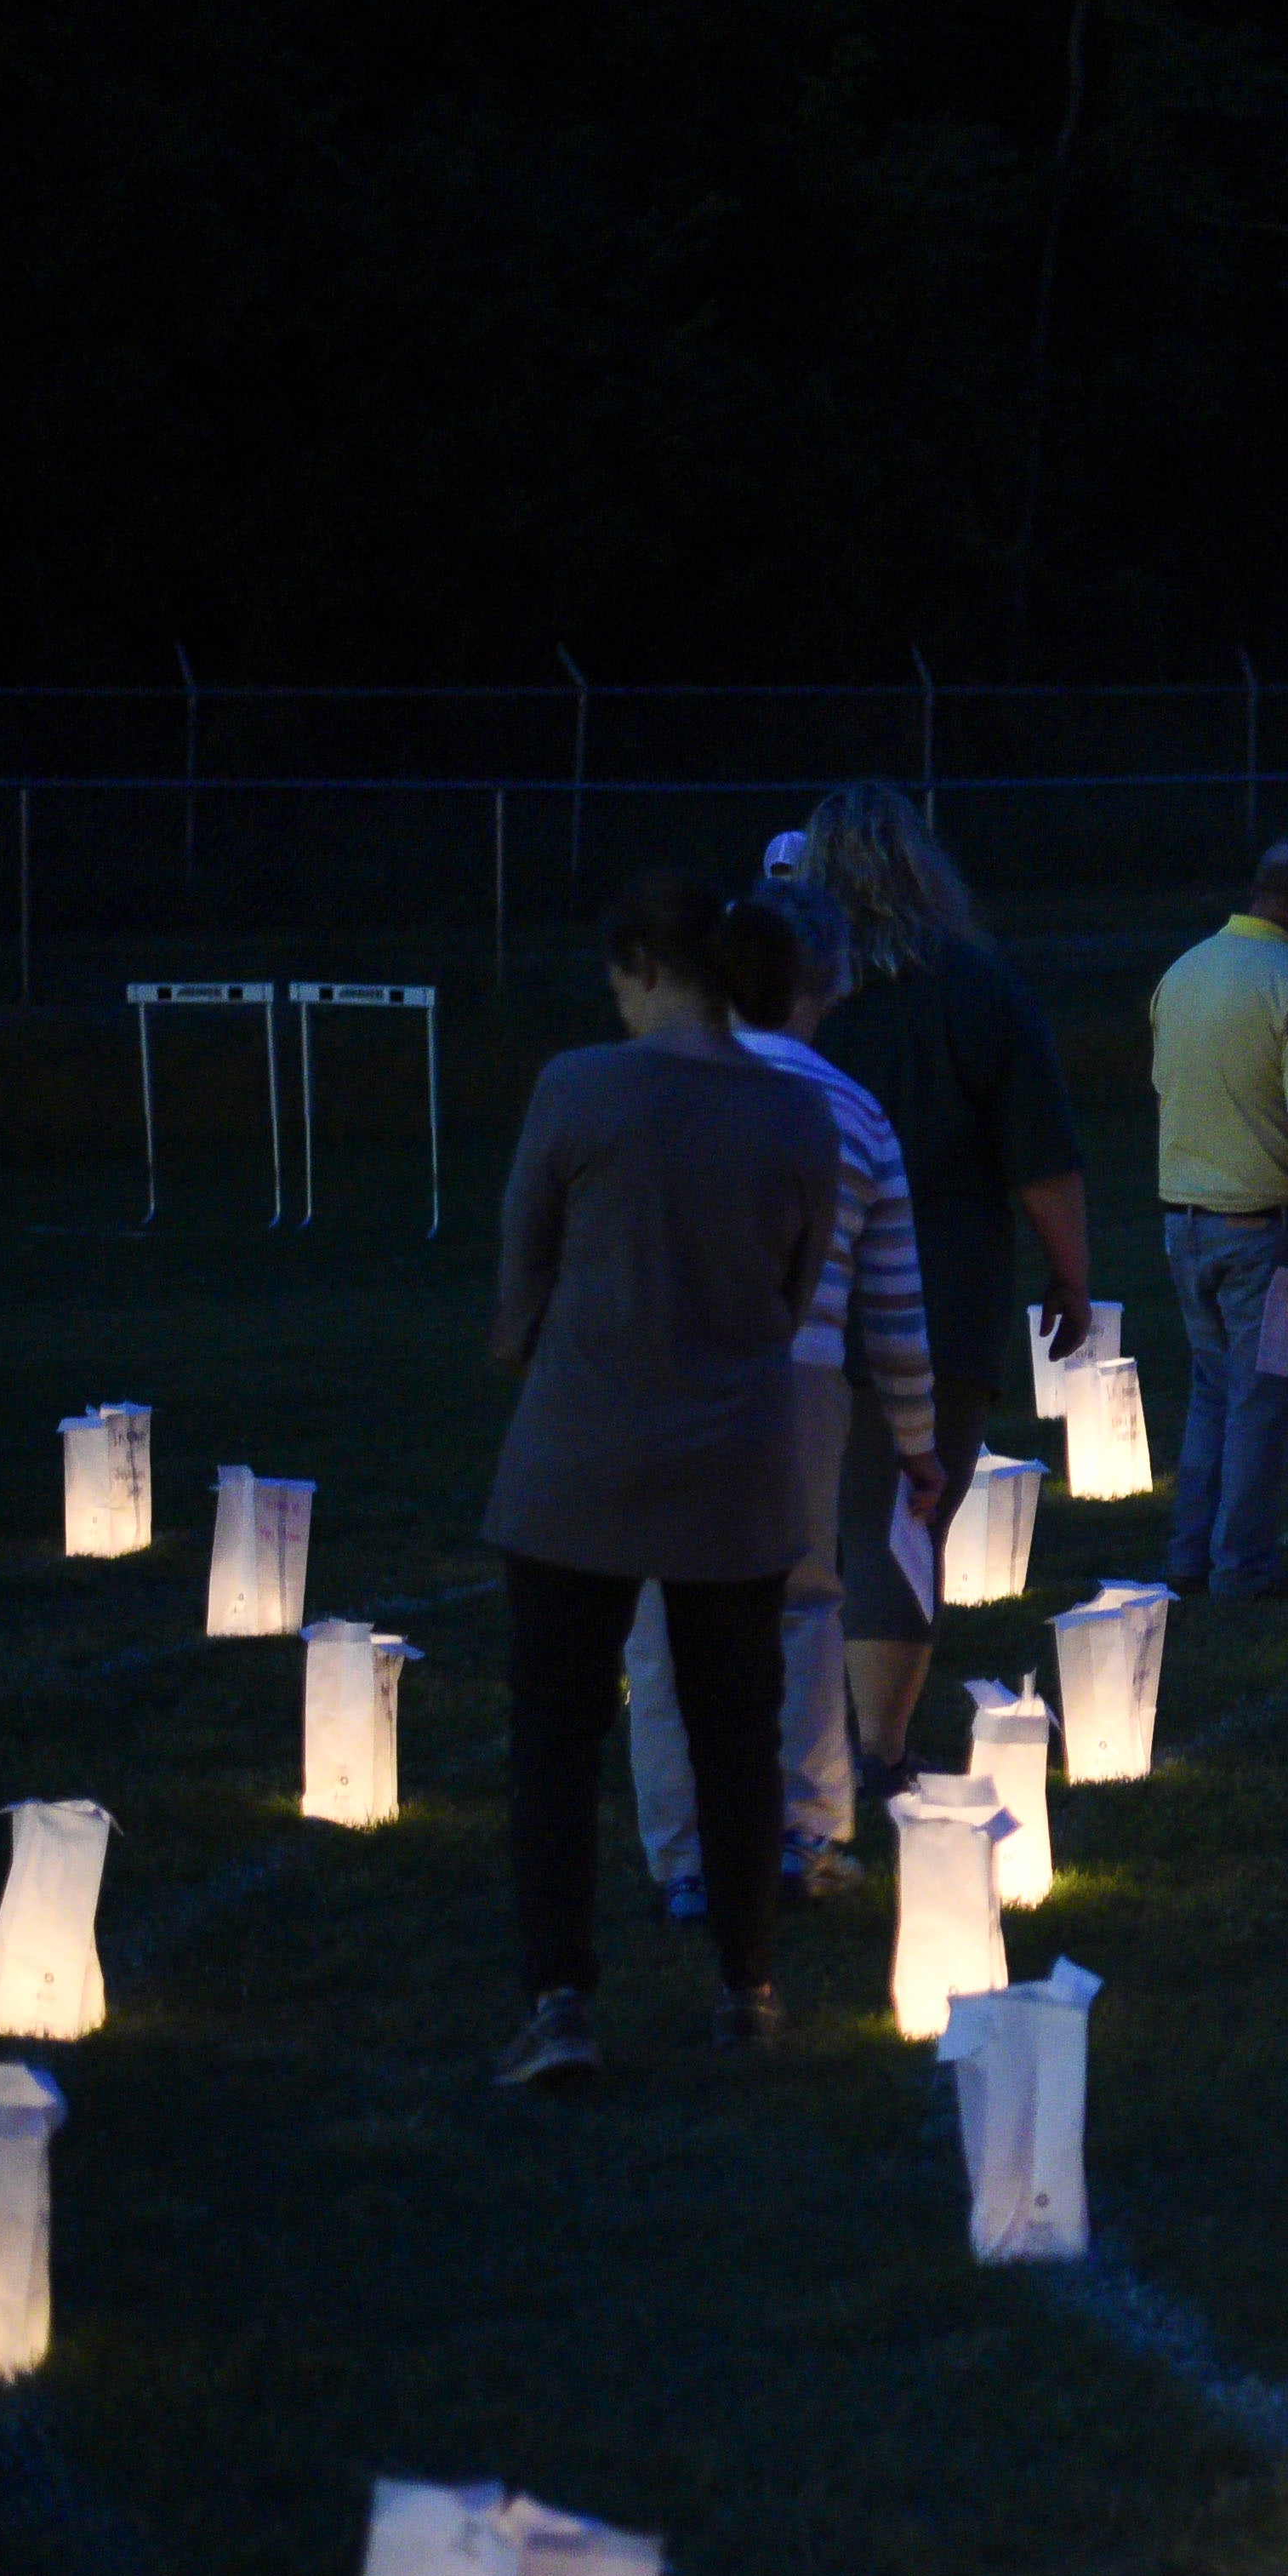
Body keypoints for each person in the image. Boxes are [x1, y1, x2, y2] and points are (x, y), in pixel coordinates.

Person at [477, 873, 880, 2083]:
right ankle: (747, 1990)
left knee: (556, 1739)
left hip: (576, 1460)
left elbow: (517, 1289)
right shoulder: (802, 1118)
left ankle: (559, 2005)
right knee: (736, 1730)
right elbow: (799, 1291)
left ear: (646, 968)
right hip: (737, 1461)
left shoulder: (577, 1089)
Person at [622, 882, 937, 1918]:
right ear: (827, 977)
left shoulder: (661, 1084)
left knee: (666, 1618)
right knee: (802, 1606)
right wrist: (916, 1437)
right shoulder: (854, 1110)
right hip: (798, 1381)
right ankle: (805, 1834)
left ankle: (685, 1856)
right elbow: (891, 1301)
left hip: (663, 1366)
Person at [797, 781, 1092, 1785]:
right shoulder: (980, 989)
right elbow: (1042, 1157)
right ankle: (877, 1745)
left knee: (817, 1518)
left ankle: (802, 1727)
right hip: (945, 1285)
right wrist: (1071, 1274)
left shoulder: (790, 1000)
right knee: (905, 1515)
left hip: (801, 1281)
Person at [1148, 838, 1288, 1597]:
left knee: (1212, 1390)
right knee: (1262, 1397)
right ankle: (1243, 1567)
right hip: (1262, 1230)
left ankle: (1189, 1556)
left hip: (1184, 1220)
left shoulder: (1183, 972)